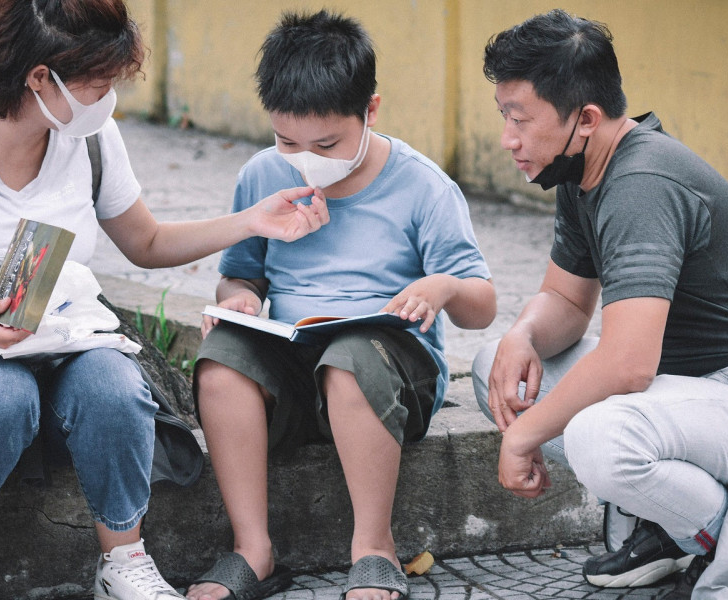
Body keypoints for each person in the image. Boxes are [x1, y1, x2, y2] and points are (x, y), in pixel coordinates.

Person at [0, 1, 328, 599]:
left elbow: (148, 241)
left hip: (66, 337)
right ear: (39, 78)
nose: (108, 98)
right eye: (97, 84)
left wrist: (251, 222)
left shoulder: (88, 139)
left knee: (114, 384)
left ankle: (124, 562)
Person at [471, 10, 728, 600]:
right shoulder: (585, 172)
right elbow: (566, 302)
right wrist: (521, 336)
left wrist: (521, 441)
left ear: (586, 120)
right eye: (504, 117)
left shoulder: (642, 184)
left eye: (519, 119)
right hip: (701, 392)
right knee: (495, 369)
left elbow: (629, 364)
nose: (508, 139)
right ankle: (675, 529)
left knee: (601, 436)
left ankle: (715, 535)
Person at [184, 10, 496, 600]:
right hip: (295, 359)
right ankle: (254, 550)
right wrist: (242, 300)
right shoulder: (262, 176)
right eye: (287, 141)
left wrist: (443, 288)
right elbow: (237, 279)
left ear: (370, 110)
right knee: (221, 360)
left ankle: (373, 548)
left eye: (326, 143)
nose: (306, 158)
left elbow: (482, 305)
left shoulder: (423, 187)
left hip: (386, 370)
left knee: (350, 360)